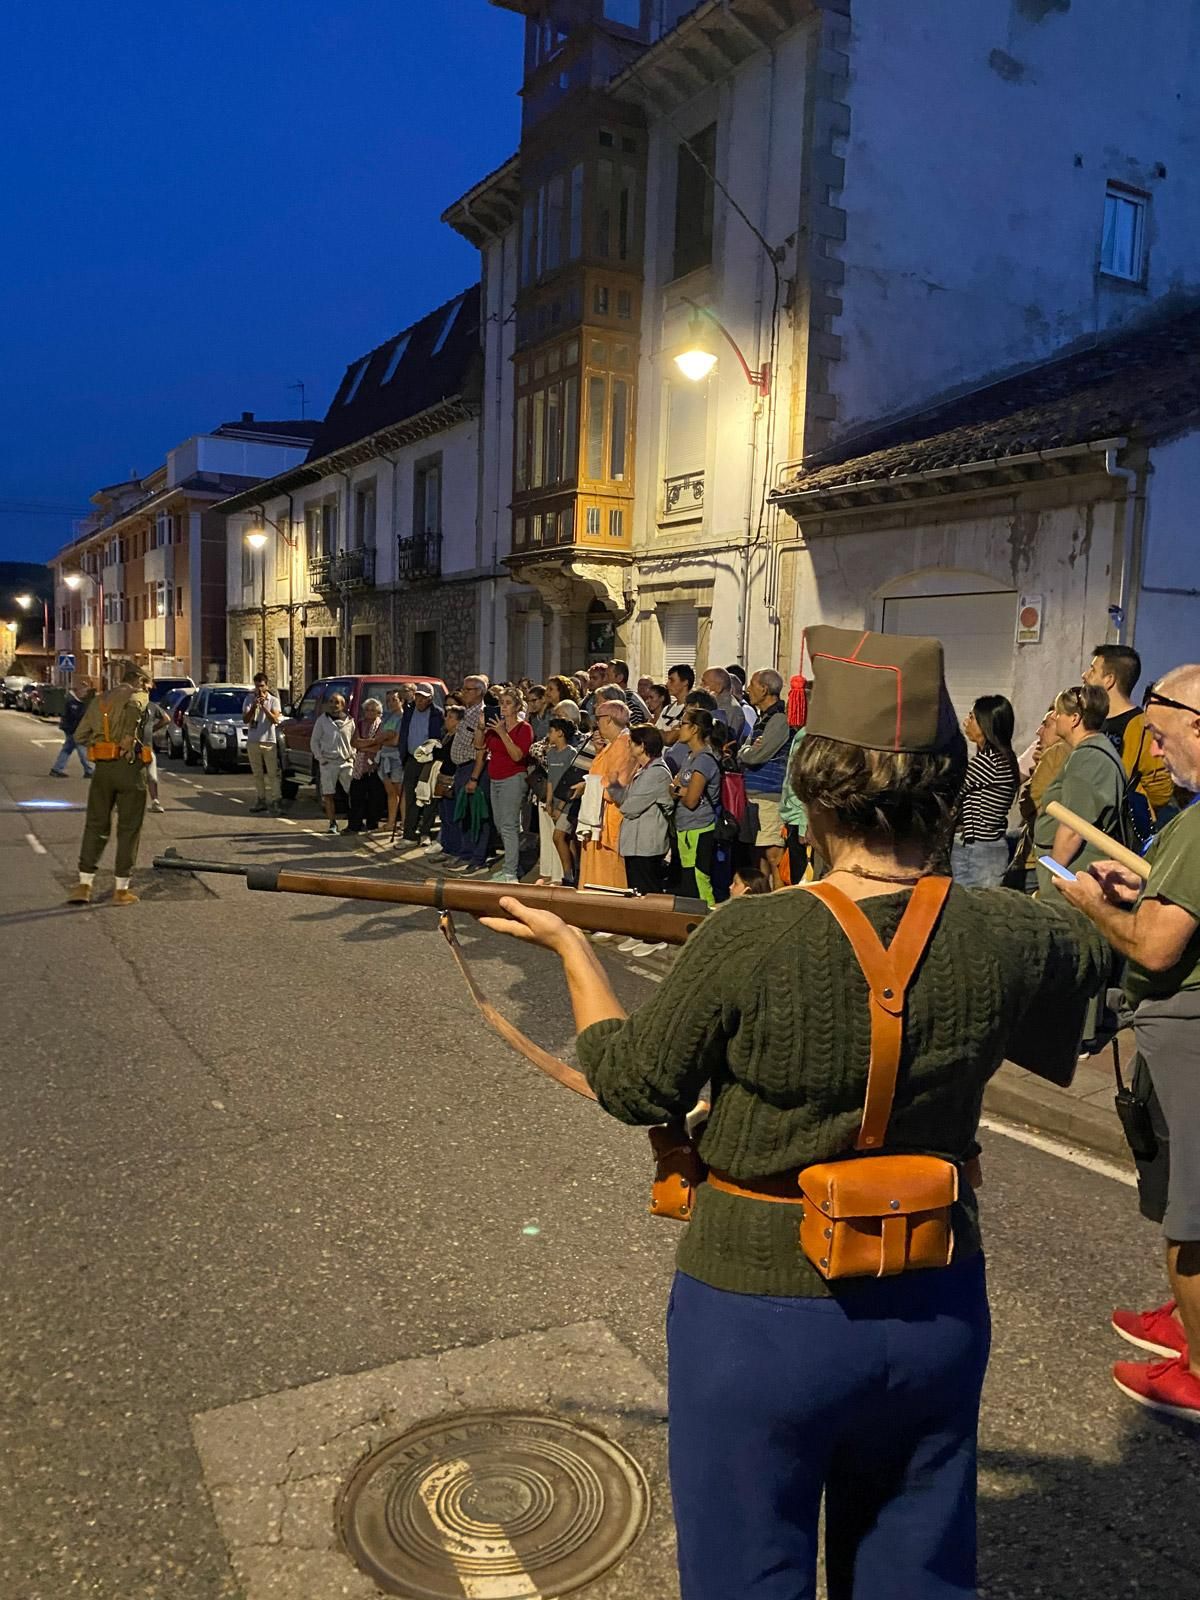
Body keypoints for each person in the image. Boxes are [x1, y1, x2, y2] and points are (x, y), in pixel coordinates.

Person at [478, 624, 1107, 1600]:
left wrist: (572, 949)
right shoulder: (1015, 932)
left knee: (747, 1573)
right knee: (916, 1574)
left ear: (814, 794)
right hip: (937, 1291)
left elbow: (634, 1084)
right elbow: (1114, 965)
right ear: (945, 793)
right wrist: (1109, 903)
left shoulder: (750, 932)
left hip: (759, 1310)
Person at [1055, 663, 1200, 1422]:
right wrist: (1140, 892)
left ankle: (1198, 1369)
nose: (1153, 747)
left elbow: (1156, 947)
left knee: (1190, 1209)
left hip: (1190, 1029)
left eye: (1161, 730)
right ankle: (1187, 1323)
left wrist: (1091, 902)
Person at [66, 664, 152, 905]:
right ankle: (121, 890)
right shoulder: (137, 696)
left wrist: (101, 743)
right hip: (130, 769)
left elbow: (79, 736)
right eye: (146, 683)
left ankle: (84, 885)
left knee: (95, 824)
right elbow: (135, 708)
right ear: (138, 680)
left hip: (103, 771)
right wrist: (128, 737)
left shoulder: (99, 701)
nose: (147, 688)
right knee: (128, 829)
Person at [1038, 684, 1130, 897]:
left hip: (1072, 873)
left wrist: (1053, 877)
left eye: (1059, 712)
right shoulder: (1090, 752)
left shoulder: (1090, 758)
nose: (1055, 717)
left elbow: (1073, 827)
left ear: (1074, 718)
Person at [1084, 644, 1177, 836]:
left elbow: (1161, 791)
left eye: (1093, 670)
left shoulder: (1142, 727)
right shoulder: (1094, 723)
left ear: (1109, 680)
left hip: (1120, 835)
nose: (1085, 675)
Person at [952, 694, 1019, 888]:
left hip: (976, 851)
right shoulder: (1003, 758)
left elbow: (955, 795)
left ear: (986, 725)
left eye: (972, 717)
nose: (966, 721)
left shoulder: (987, 762)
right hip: (989, 846)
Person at [472, 687, 533, 883]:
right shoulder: (495, 726)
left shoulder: (524, 728)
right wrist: (481, 727)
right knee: (500, 824)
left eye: (508, 703)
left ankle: (510, 872)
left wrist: (502, 732)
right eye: (501, 703)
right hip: (495, 778)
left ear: (517, 707)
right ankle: (512, 863)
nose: (503, 707)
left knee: (508, 825)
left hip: (513, 778)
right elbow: (479, 745)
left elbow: (517, 755)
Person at [739, 669, 794, 886]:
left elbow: (756, 755)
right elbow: (745, 749)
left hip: (770, 796)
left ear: (764, 689)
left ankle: (778, 899)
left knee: (773, 856)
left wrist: (748, 752)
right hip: (755, 797)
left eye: (752, 684)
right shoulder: (763, 718)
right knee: (758, 855)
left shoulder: (778, 719)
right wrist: (748, 751)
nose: (748, 689)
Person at [578, 700, 637, 891]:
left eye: (598, 718)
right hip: (599, 817)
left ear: (609, 719)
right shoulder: (613, 744)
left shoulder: (623, 744)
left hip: (608, 819)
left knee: (607, 876)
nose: (597, 723)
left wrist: (591, 786)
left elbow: (616, 787)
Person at [609, 723, 673, 894]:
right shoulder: (643, 771)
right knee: (637, 893)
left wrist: (624, 802)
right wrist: (613, 784)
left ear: (642, 746)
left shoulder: (657, 773)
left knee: (648, 894)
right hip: (636, 845)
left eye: (631, 742)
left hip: (646, 847)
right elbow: (625, 799)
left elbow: (629, 808)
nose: (628, 745)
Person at [671, 707, 722, 907]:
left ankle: (709, 919)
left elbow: (691, 800)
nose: (679, 728)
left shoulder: (703, 760)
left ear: (694, 729)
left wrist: (680, 790)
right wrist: (681, 790)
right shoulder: (690, 757)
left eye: (683, 723)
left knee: (699, 882)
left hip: (699, 828)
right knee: (688, 883)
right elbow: (674, 789)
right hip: (685, 828)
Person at [446, 675, 492, 873]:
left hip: (473, 768)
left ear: (479, 692)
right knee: (463, 812)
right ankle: (465, 853)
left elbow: (481, 749)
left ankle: (478, 858)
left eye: (468, 689)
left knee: (477, 814)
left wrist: (474, 777)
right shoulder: (466, 712)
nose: (463, 692)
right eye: (463, 688)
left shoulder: (481, 714)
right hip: (461, 768)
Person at [536, 716, 582, 885]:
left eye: (551, 731)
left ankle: (569, 875)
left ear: (560, 733)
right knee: (566, 840)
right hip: (555, 802)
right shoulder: (551, 753)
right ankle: (573, 873)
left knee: (559, 837)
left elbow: (571, 781)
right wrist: (548, 802)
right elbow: (550, 780)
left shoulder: (571, 754)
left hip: (568, 803)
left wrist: (561, 806)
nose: (549, 734)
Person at [400, 683, 445, 843]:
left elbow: (439, 737)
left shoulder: (437, 714)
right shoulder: (409, 711)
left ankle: (425, 832)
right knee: (411, 797)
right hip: (411, 758)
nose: (419, 700)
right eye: (418, 696)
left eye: (423, 698)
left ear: (430, 699)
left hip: (429, 761)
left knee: (428, 798)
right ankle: (409, 834)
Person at [311, 692, 354, 835]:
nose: (333, 705)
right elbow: (314, 741)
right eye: (330, 701)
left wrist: (352, 756)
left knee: (352, 793)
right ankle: (332, 823)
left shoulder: (350, 721)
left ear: (343, 705)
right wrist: (321, 759)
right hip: (328, 762)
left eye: (336, 702)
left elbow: (354, 740)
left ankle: (353, 822)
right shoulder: (322, 721)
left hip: (346, 762)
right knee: (329, 794)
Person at [243, 671, 283, 816]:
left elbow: (275, 720)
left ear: (266, 686)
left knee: (272, 773)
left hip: (268, 741)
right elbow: (245, 720)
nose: (259, 689)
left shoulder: (273, 700)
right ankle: (261, 799)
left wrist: (264, 706)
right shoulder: (249, 699)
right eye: (257, 686)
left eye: (261, 686)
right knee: (257, 774)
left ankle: (276, 800)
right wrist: (254, 706)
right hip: (253, 741)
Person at [347, 698, 386, 833]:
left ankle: (372, 824)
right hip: (360, 767)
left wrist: (363, 745)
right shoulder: (360, 724)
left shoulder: (381, 725)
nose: (369, 712)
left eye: (372, 710)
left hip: (375, 766)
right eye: (367, 710)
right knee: (356, 796)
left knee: (375, 797)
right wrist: (370, 743)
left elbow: (379, 745)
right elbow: (354, 742)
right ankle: (354, 825)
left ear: (378, 712)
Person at [376, 689, 407, 838]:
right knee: (390, 792)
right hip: (384, 757)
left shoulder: (403, 718)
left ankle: (405, 823)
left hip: (396, 758)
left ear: (401, 701)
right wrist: (385, 737)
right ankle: (391, 822)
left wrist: (385, 739)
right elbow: (378, 737)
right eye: (388, 700)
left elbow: (396, 741)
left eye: (394, 700)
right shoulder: (387, 717)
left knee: (401, 791)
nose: (391, 703)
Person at [49, 678, 95, 778]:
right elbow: (76, 717)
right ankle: (89, 770)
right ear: (78, 691)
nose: (85, 693)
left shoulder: (77, 702)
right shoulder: (72, 702)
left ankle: (57, 769)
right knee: (82, 749)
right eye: (84, 691)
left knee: (67, 749)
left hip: (72, 729)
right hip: (74, 730)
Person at [700, 667, 745, 742]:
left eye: (704, 682)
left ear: (718, 686)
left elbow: (725, 740)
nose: (701, 685)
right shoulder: (712, 704)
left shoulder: (732, 709)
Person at [659, 663, 693, 746]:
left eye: (672, 680)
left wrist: (664, 733)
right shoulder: (667, 709)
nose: (667, 684)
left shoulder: (692, 711)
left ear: (685, 682)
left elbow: (669, 739)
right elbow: (653, 734)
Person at [608, 659, 651, 724]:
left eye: (608, 675)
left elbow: (635, 727)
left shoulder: (629, 699)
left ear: (620, 678)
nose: (604, 679)